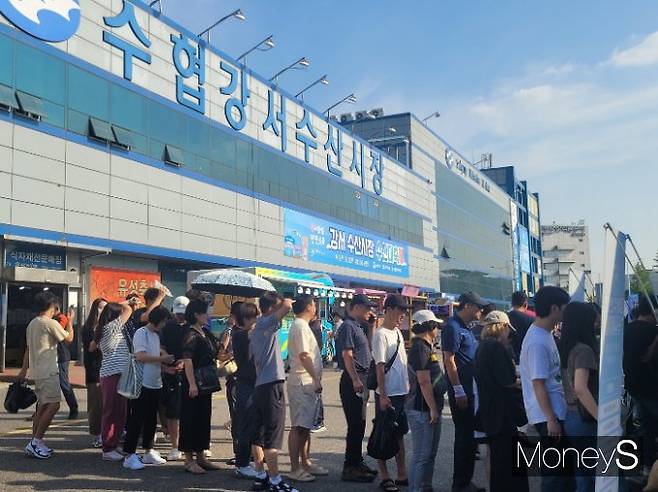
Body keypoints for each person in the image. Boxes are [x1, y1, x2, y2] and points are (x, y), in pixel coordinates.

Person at [519, 286, 573, 492]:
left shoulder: (545, 334)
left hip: (554, 411)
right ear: (554, 309)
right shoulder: (537, 341)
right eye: (564, 309)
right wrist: (551, 419)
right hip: (548, 415)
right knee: (555, 473)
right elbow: (538, 383)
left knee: (561, 470)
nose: (566, 314)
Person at [474, 311, 529, 492]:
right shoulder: (497, 348)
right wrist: (525, 381)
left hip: (490, 413)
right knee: (509, 467)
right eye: (507, 329)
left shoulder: (482, 347)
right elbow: (508, 382)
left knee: (499, 466)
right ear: (502, 327)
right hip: (503, 416)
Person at [18, 292, 74, 459]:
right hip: (49, 371)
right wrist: (70, 321)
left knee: (42, 407)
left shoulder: (32, 323)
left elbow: (28, 349)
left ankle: (35, 442)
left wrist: (23, 369)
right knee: (54, 405)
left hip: (37, 371)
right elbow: (69, 338)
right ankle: (36, 441)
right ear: (52, 306)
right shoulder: (50, 323)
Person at [441, 292, 487, 492]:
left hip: (472, 389)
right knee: (464, 438)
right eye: (478, 306)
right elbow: (449, 359)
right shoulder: (452, 326)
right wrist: (458, 389)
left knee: (469, 440)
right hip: (462, 391)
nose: (481, 311)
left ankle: (466, 481)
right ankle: (460, 484)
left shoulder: (466, 327)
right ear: (467, 306)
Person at [250, 292, 296, 492]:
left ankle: (261, 476)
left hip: (261, 385)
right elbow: (286, 306)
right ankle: (275, 480)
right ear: (270, 309)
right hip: (271, 385)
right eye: (276, 308)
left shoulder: (257, 328)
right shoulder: (265, 324)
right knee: (273, 435)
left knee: (259, 434)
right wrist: (287, 302)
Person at [122, 306, 175, 470]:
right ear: (159, 319)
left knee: (151, 419)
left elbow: (153, 358)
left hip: (155, 382)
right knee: (137, 419)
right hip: (142, 382)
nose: (165, 324)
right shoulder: (141, 333)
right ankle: (129, 455)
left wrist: (167, 368)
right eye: (165, 321)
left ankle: (148, 450)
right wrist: (162, 359)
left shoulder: (155, 335)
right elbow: (140, 356)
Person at [335, 294, 379, 483]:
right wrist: (354, 378)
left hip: (362, 378)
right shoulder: (347, 326)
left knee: (360, 424)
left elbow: (369, 348)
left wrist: (371, 327)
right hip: (354, 379)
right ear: (357, 307)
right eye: (367, 307)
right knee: (355, 425)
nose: (370, 311)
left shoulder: (358, 326)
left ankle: (357, 462)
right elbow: (347, 354)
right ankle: (350, 467)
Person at [371, 294, 410, 492]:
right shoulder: (380, 335)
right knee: (383, 435)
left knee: (399, 434)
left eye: (404, 311)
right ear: (389, 309)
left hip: (401, 392)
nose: (402, 315)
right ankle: (385, 475)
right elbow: (380, 367)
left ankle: (402, 474)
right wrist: (383, 395)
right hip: (387, 394)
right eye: (399, 310)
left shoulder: (397, 332)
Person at [286, 294, 327, 482]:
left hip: (307, 383)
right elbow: (304, 355)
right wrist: (315, 378)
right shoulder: (300, 326)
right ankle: (295, 468)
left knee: (306, 426)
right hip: (302, 381)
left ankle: (305, 462)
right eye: (314, 304)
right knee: (299, 427)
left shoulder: (303, 326)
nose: (315, 307)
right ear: (309, 307)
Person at [560, 302, 599, 492]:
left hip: (572, 415)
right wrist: (602, 418)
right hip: (586, 418)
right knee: (595, 474)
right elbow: (581, 388)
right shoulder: (584, 350)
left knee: (582, 473)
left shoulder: (567, 347)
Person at [179, 299, 221, 474]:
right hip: (194, 381)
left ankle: (201, 456)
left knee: (203, 418)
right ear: (197, 314)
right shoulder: (190, 333)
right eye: (205, 312)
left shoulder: (205, 332)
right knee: (190, 420)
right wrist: (192, 384)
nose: (208, 315)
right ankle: (189, 460)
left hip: (206, 382)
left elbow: (218, 350)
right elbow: (187, 360)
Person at [406, 310, 445, 492]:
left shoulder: (426, 346)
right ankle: (417, 488)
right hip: (422, 408)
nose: (437, 329)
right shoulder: (421, 348)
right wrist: (432, 408)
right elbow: (423, 380)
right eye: (435, 325)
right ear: (430, 326)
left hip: (428, 407)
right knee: (422, 455)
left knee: (429, 454)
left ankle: (425, 487)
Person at [623, 294, 658, 473]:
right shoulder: (652, 332)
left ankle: (646, 466)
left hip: (633, 387)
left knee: (645, 428)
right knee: (651, 428)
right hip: (652, 389)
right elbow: (648, 358)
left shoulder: (627, 329)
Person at [232, 302, 266, 481]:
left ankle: (252, 460)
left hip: (257, 384)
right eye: (254, 316)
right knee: (245, 425)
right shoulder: (239, 335)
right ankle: (242, 464)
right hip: (246, 384)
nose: (257, 319)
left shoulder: (251, 333)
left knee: (257, 423)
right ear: (245, 319)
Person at [96, 301, 133, 462]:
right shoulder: (110, 328)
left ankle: (113, 443)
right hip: (112, 375)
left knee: (120, 412)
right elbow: (129, 310)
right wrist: (126, 302)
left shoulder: (110, 328)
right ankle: (108, 447)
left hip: (119, 374)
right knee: (111, 412)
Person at [160, 295, 189, 461]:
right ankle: (174, 446)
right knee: (172, 413)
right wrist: (165, 356)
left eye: (183, 313)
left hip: (188, 374)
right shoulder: (167, 327)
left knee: (189, 412)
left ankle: (190, 446)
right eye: (178, 313)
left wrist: (185, 362)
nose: (180, 316)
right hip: (170, 373)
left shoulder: (192, 327)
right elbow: (160, 345)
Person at [81, 298, 108, 448]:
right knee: (96, 404)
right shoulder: (88, 328)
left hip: (107, 369)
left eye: (106, 308)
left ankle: (106, 432)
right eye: (101, 307)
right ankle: (97, 434)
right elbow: (91, 348)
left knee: (106, 404)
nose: (103, 311)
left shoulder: (106, 326)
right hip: (94, 370)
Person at [220, 300, 242, 465]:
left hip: (247, 380)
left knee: (245, 417)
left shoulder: (250, 331)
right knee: (236, 416)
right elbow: (221, 351)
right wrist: (229, 327)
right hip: (234, 378)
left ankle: (247, 452)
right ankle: (240, 452)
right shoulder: (231, 331)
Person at [53, 303, 78, 420]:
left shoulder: (61, 319)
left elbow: (63, 335)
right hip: (52, 356)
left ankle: (74, 408)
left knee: (64, 383)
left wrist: (70, 320)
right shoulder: (52, 320)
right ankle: (40, 411)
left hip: (61, 357)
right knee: (46, 384)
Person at [508, 292, 536, 362]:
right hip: (527, 360)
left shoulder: (504, 319)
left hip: (509, 360)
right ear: (525, 304)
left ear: (512, 303)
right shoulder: (532, 320)